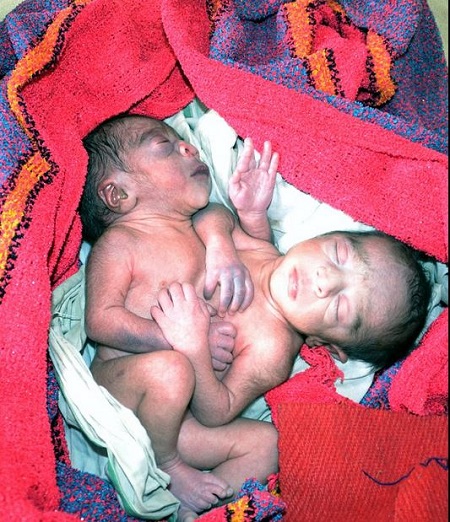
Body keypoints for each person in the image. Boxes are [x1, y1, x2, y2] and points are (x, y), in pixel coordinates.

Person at [79, 113, 280, 522]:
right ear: (118, 194)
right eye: (164, 145)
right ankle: (168, 468)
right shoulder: (121, 243)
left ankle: (195, 513)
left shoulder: (198, 227)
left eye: (183, 141)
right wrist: (180, 339)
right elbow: (100, 321)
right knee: (171, 370)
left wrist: (222, 246)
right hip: (127, 394)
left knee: (268, 444)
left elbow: (220, 217)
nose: (189, 147)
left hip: (178, 422)